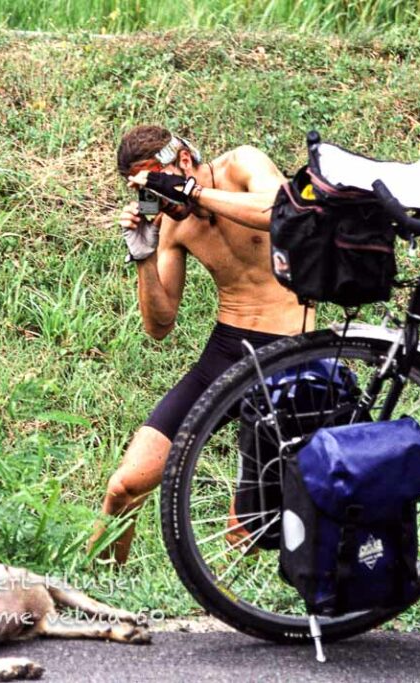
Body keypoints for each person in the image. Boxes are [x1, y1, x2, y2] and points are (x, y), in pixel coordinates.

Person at [88, 125, 314, 564]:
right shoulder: (174, 226)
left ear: (184, 162)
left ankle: (237, 618)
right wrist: (144, 257)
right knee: (124, 488)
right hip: (226, 352)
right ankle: (100, 595)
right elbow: (159, 325)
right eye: (141, 187)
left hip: (287, 351)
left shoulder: (242, 163)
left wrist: (192, 193)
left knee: (242, 531)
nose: (151, 195)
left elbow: (279, 209)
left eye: (154, 180)